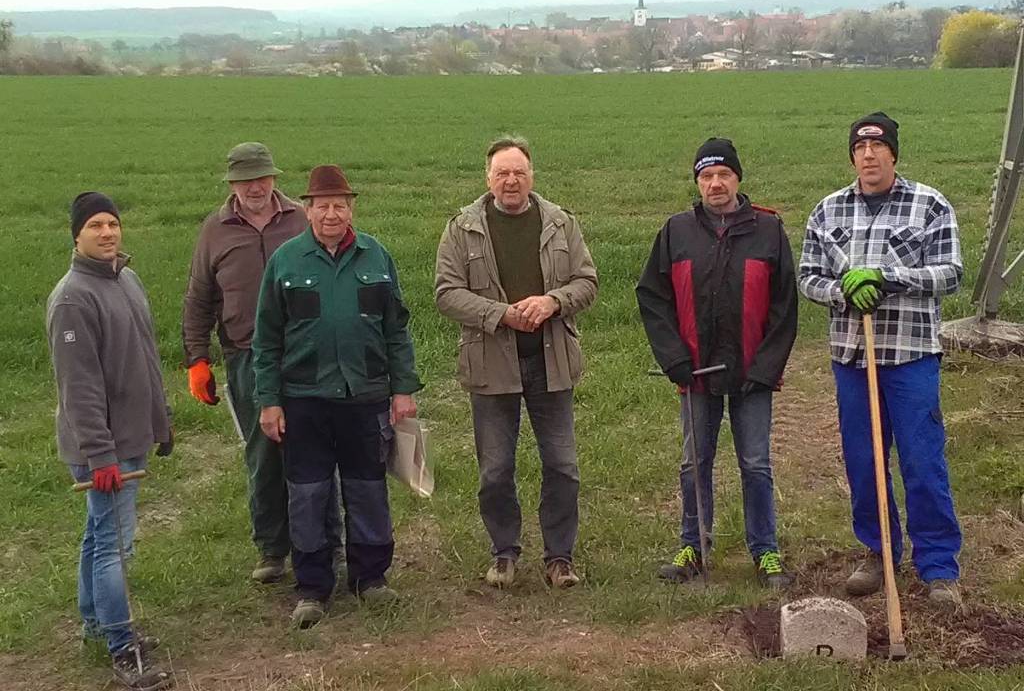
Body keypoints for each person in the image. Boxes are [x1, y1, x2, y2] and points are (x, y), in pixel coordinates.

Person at [798, 112, 963, 608]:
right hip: (853, 357)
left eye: (877, 146)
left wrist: (888, 278)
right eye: (860, 147)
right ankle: (879, 551)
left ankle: (938, 567)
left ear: (893, 152)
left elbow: (951, 273)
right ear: (852, 155)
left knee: (922, 460)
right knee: (864, 460)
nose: (868, 154)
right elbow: (808, 277)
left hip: (911, 356)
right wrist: (842, 291)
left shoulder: (929, 205)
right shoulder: (827, 211)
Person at [252, 164, 421, 628]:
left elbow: (396, 329)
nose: (332, 214)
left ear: (352, 210)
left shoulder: (375, 256)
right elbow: (266, 339)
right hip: (304, 399)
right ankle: (312, 587)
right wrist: (270, 400)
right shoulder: (286, 261)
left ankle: (371, 578)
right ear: (307, 211)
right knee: (308, 495)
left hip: (364, 396)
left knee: (368, 490)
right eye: (323, 206)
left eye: (340, 206)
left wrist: (403, 388)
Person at [435, 134, 598, 589]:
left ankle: (559, 557)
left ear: (532, 176)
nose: (511, 180)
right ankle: (504, 553)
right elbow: (446, 293)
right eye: (502, 173)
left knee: (562, 466)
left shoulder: (560, 223)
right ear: (488, 178)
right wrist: (499, 314)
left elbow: (587, 281)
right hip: (491, 365)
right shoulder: (462, 228)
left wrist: (553, 302)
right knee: (495, 470)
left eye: (519, 172)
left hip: (552, 363)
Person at [636, 137, 798, 589]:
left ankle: (765, 550)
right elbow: (653, 297)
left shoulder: (768, 230)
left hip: (752, 375)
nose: (715, 184)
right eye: (706, 176)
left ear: (738, 179)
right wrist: (674, 358)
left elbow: (785, 305)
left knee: (756, 464)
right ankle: (693, 546)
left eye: (723, 174)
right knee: (694, 463)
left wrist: (765, 368)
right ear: (697, 183)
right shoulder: (676, 231)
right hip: (695, 374)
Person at [182, 141, 340, 584]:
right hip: (247, 356)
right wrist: (197, 359)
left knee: (316, 450)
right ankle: (272, 548)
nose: (256, 187)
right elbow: (199, 298)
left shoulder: (300, 219)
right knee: (263, 453)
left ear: (274, 178)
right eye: (246, 180)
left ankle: (330, 543)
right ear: (232, 184)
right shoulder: (215, 230)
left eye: (262, 177)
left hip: (306, 354)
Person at [47, 192, 173, 690]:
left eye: (112, 223)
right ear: (76, 235)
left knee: (98, 534)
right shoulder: (73, 298)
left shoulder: (126, 279)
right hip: (103, 447)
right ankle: (123, 649)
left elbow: (144, 357)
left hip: (131, 435)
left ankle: (96, 626)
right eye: (95, 225)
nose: (107, 232)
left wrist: (160, 421)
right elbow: (78, 387)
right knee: (114, 546)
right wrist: (100, 455)